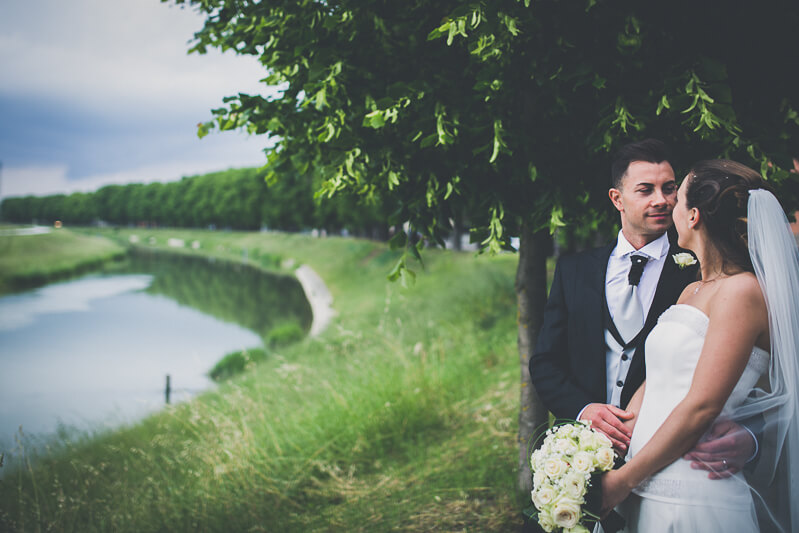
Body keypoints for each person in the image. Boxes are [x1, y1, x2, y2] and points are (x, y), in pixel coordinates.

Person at [530, 139, 754, 470]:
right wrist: (582, 410)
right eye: (646, 190)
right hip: (580, 454)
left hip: (674, 455)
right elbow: (546, 361)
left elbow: (745, 368)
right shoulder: (574, 270)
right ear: (616, 198)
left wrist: (751, 437)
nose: (661, 200)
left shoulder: (703, 273)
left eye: (669, 189)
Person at [600, 160, 799, 532]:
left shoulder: (742, 292)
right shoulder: (692, 289)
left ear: (692, 217)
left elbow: (701, 406)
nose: (669, 204)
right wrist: (611, 441)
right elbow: (657, 378)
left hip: (693, 490)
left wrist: (622, 482)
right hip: (646, 483)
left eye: (677, 196)